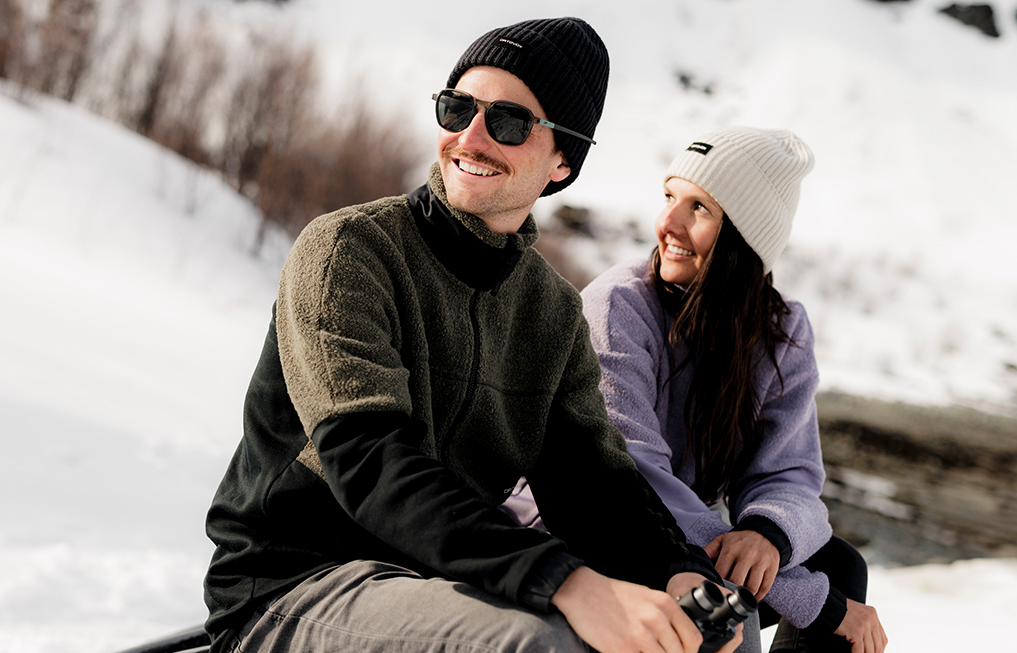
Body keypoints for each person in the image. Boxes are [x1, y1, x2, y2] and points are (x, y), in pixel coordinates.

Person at [203, 17, 745, 653]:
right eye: (457, 107)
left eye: (510, 122)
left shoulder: (550, 312)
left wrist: (676, 571)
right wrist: (563, 580)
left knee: (718, 635)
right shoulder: (348, 252)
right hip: (293, 587)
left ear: (563, 161)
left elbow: (593, 487)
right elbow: (367, 459)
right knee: (544, 643)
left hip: (438, 586)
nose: (470, 136)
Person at [507, 126, 888, 653]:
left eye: (699, 209)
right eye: (669, 198)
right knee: (725, 598)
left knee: (840, 565)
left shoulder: (781, 332)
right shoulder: (619, 306)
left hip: (678, 531)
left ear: (745, 235)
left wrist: (767, 535)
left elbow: (789, 473)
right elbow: (629, 475)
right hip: (579, 526)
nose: (667, 223)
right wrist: (816, 602)